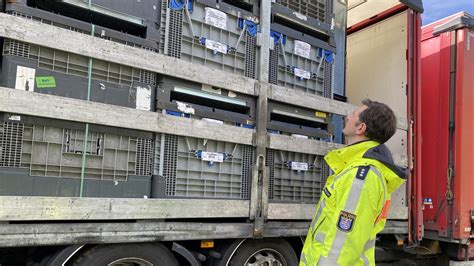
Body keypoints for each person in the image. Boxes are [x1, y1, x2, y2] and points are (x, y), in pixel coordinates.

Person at [300, 99, 406, 265]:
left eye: (353, 114)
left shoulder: (361, 177)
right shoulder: (356, 170)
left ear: (361, 128)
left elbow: (343, 246)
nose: (347, 117)